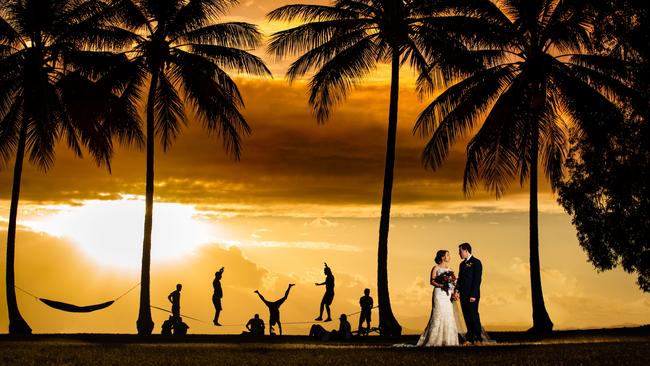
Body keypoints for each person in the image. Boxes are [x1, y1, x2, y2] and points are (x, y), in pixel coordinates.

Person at [416, 250, 459, 347]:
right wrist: (441, 285)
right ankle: (433, 340)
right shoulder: (435, 268)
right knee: (438, 314)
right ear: (443, 257)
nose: (449, 256)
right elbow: (432, 281)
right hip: (439, 294)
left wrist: (454, 292)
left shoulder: (450, 270)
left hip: (448, 295)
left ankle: (448, 340)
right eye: (448, 255)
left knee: (448, 315)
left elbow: (453, 283)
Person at [454, 242, 483, 345]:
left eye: (460, 251)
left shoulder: (476, 262)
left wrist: (473, 295)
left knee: (473, 315)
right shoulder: (461, 265)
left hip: (472, 295)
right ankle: (470, 337)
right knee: (466, 315)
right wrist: (457, 291)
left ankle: (478, 338)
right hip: (463, 295)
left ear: (466, 251)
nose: (459, 253)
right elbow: (460, 279)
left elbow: (477, 280)